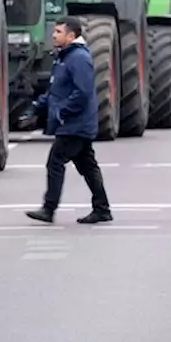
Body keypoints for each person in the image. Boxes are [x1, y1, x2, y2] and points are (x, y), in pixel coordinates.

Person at [21, 16, 112, 224]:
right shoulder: (64, 57)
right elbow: (56, 91)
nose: (53, 35)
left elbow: (82, 92)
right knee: (88, 166)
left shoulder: (78, 58)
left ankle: (49, 209)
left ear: (71, 36)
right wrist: (35, 108)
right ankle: (102, 209)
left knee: (55, 162)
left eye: (59, 32)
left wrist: (61, 112)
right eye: (54, 31)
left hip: (74, 125)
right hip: (73, 124)